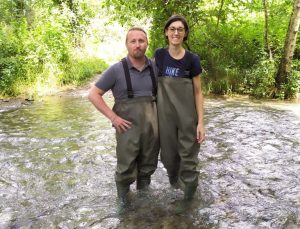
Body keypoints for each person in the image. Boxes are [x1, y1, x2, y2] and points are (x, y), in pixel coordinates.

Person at [88, 27, 159, 204]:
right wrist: (113, 118)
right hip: (127, 128)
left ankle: (144, 202)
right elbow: (93, 95)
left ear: (147, 43)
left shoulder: (156, 68)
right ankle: (123, 205)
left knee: (148, 166)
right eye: (133, 41)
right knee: (125, 168)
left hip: (152, 129)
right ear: (126, 44)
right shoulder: (116, 70)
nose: (137, 45)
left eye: (141, 41)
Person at [154, 15, 205, 202]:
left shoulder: (192, 59)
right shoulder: (159, 55)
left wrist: (201, 122)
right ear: (166, 33)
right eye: (172, 29)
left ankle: (188, 201)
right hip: (165, 119)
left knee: (189, 160)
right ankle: (175, 188)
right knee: (168, 158)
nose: (176, 32)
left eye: (180, 29)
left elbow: (198, 93)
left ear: (185, 34)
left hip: (188, 119)